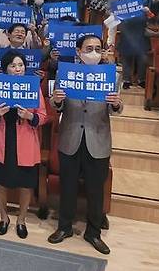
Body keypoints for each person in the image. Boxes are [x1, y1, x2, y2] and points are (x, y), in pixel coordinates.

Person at [47, 34, 123, 255]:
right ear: (79, 51)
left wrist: (117, 104)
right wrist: (57, 100)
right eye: (88, 48)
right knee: (67, 186)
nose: (94, 53)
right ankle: (64, 227)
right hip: (70, 137)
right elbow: (56, 105)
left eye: (98, 49)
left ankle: (93, 232)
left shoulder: (112, 76)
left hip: (97, 138)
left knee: (95, 189)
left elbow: (115, 109)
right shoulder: (66, 73)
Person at [0, 51, 48, 239]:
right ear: (5, 69)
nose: (17, 69)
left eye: (20, 65)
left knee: (25, 183)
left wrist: (30, 116)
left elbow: (43, 116)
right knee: (0, 181)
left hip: (25, 141)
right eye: (13, 66)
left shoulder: (33, 87)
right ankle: (4, 217)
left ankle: (21, 220)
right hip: (1, 140)